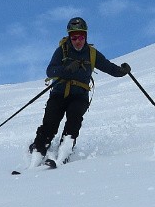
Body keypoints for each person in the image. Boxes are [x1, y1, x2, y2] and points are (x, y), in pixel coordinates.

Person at [30, 16, 129, 161]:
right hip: (59, 93)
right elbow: (50, 71)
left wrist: (122, 71)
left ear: (86, 36)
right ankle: (38, 150)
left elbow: (108, 67)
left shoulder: (92, 53)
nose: (78, 41)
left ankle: (64, 152)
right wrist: (66, 70)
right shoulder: (62, 51)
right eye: (74, 37)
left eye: (81, 37)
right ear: (70, 37)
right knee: (50, 123)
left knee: (74, 120)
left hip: (80, 96)